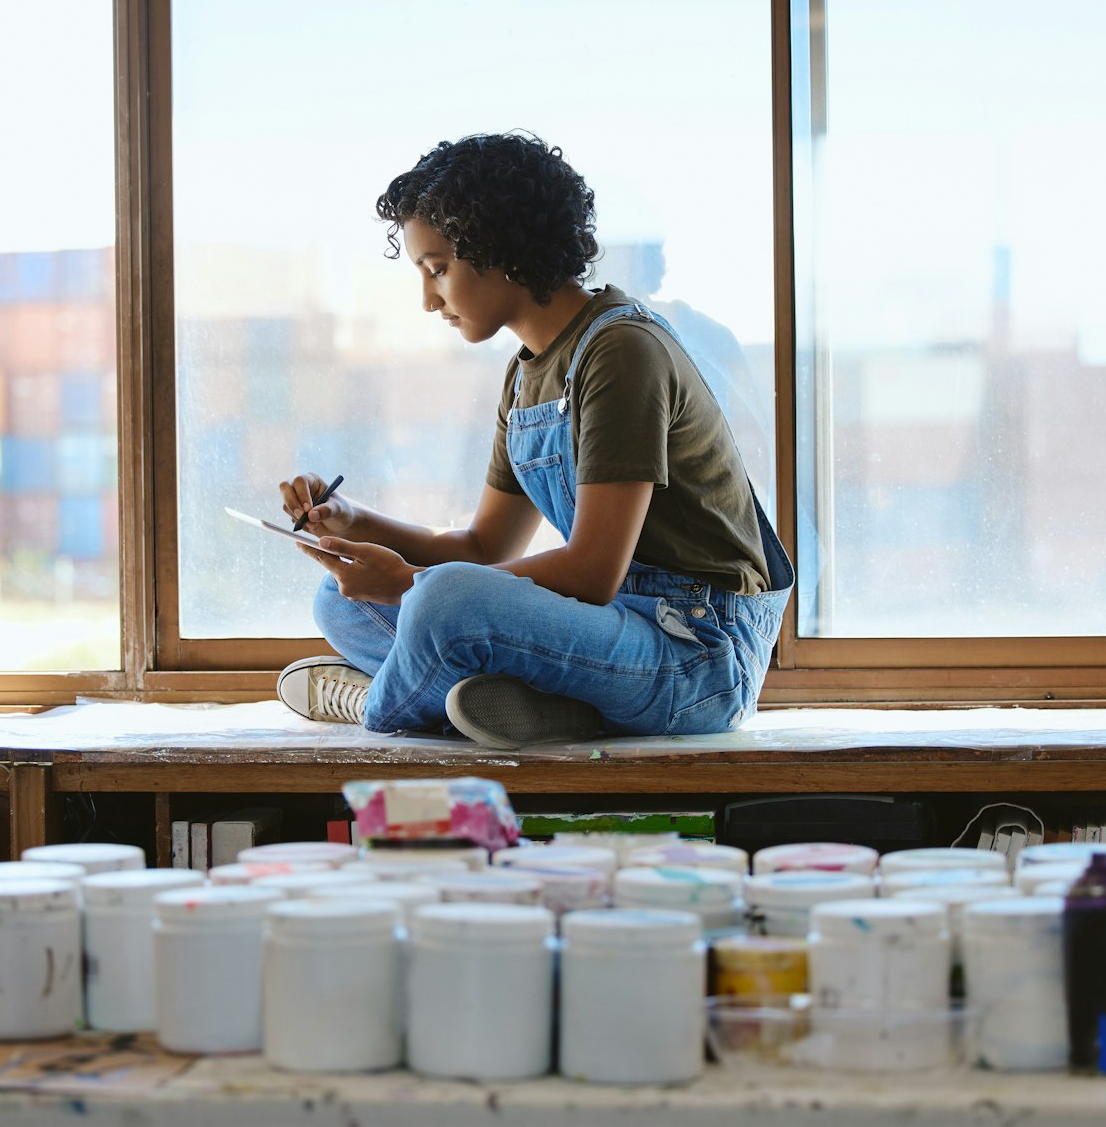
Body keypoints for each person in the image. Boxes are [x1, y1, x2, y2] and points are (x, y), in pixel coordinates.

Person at [273, 132, 794, 749]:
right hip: (609, 629)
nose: (426, 299)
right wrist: (354, 521)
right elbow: (482, 544)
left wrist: (409, 585)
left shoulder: (621, 351)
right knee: (339, 600)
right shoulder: (525, 374)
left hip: (694, 656)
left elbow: (594, 571)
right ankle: (542, 705)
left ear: (502, 249)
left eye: (437, 269)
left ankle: (372, 702)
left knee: (441, 602)